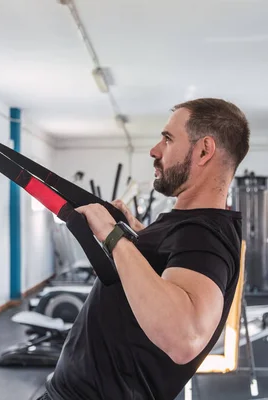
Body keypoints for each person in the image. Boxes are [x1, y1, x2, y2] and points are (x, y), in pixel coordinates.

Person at [39, 98, 250, 400]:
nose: (155, 150)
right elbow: (165, 276)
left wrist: (114, 237)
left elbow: (184, 337)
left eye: (168, 139)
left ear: (204, 150)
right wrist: (138, 237)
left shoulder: (205, 235)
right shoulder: (189, 225)